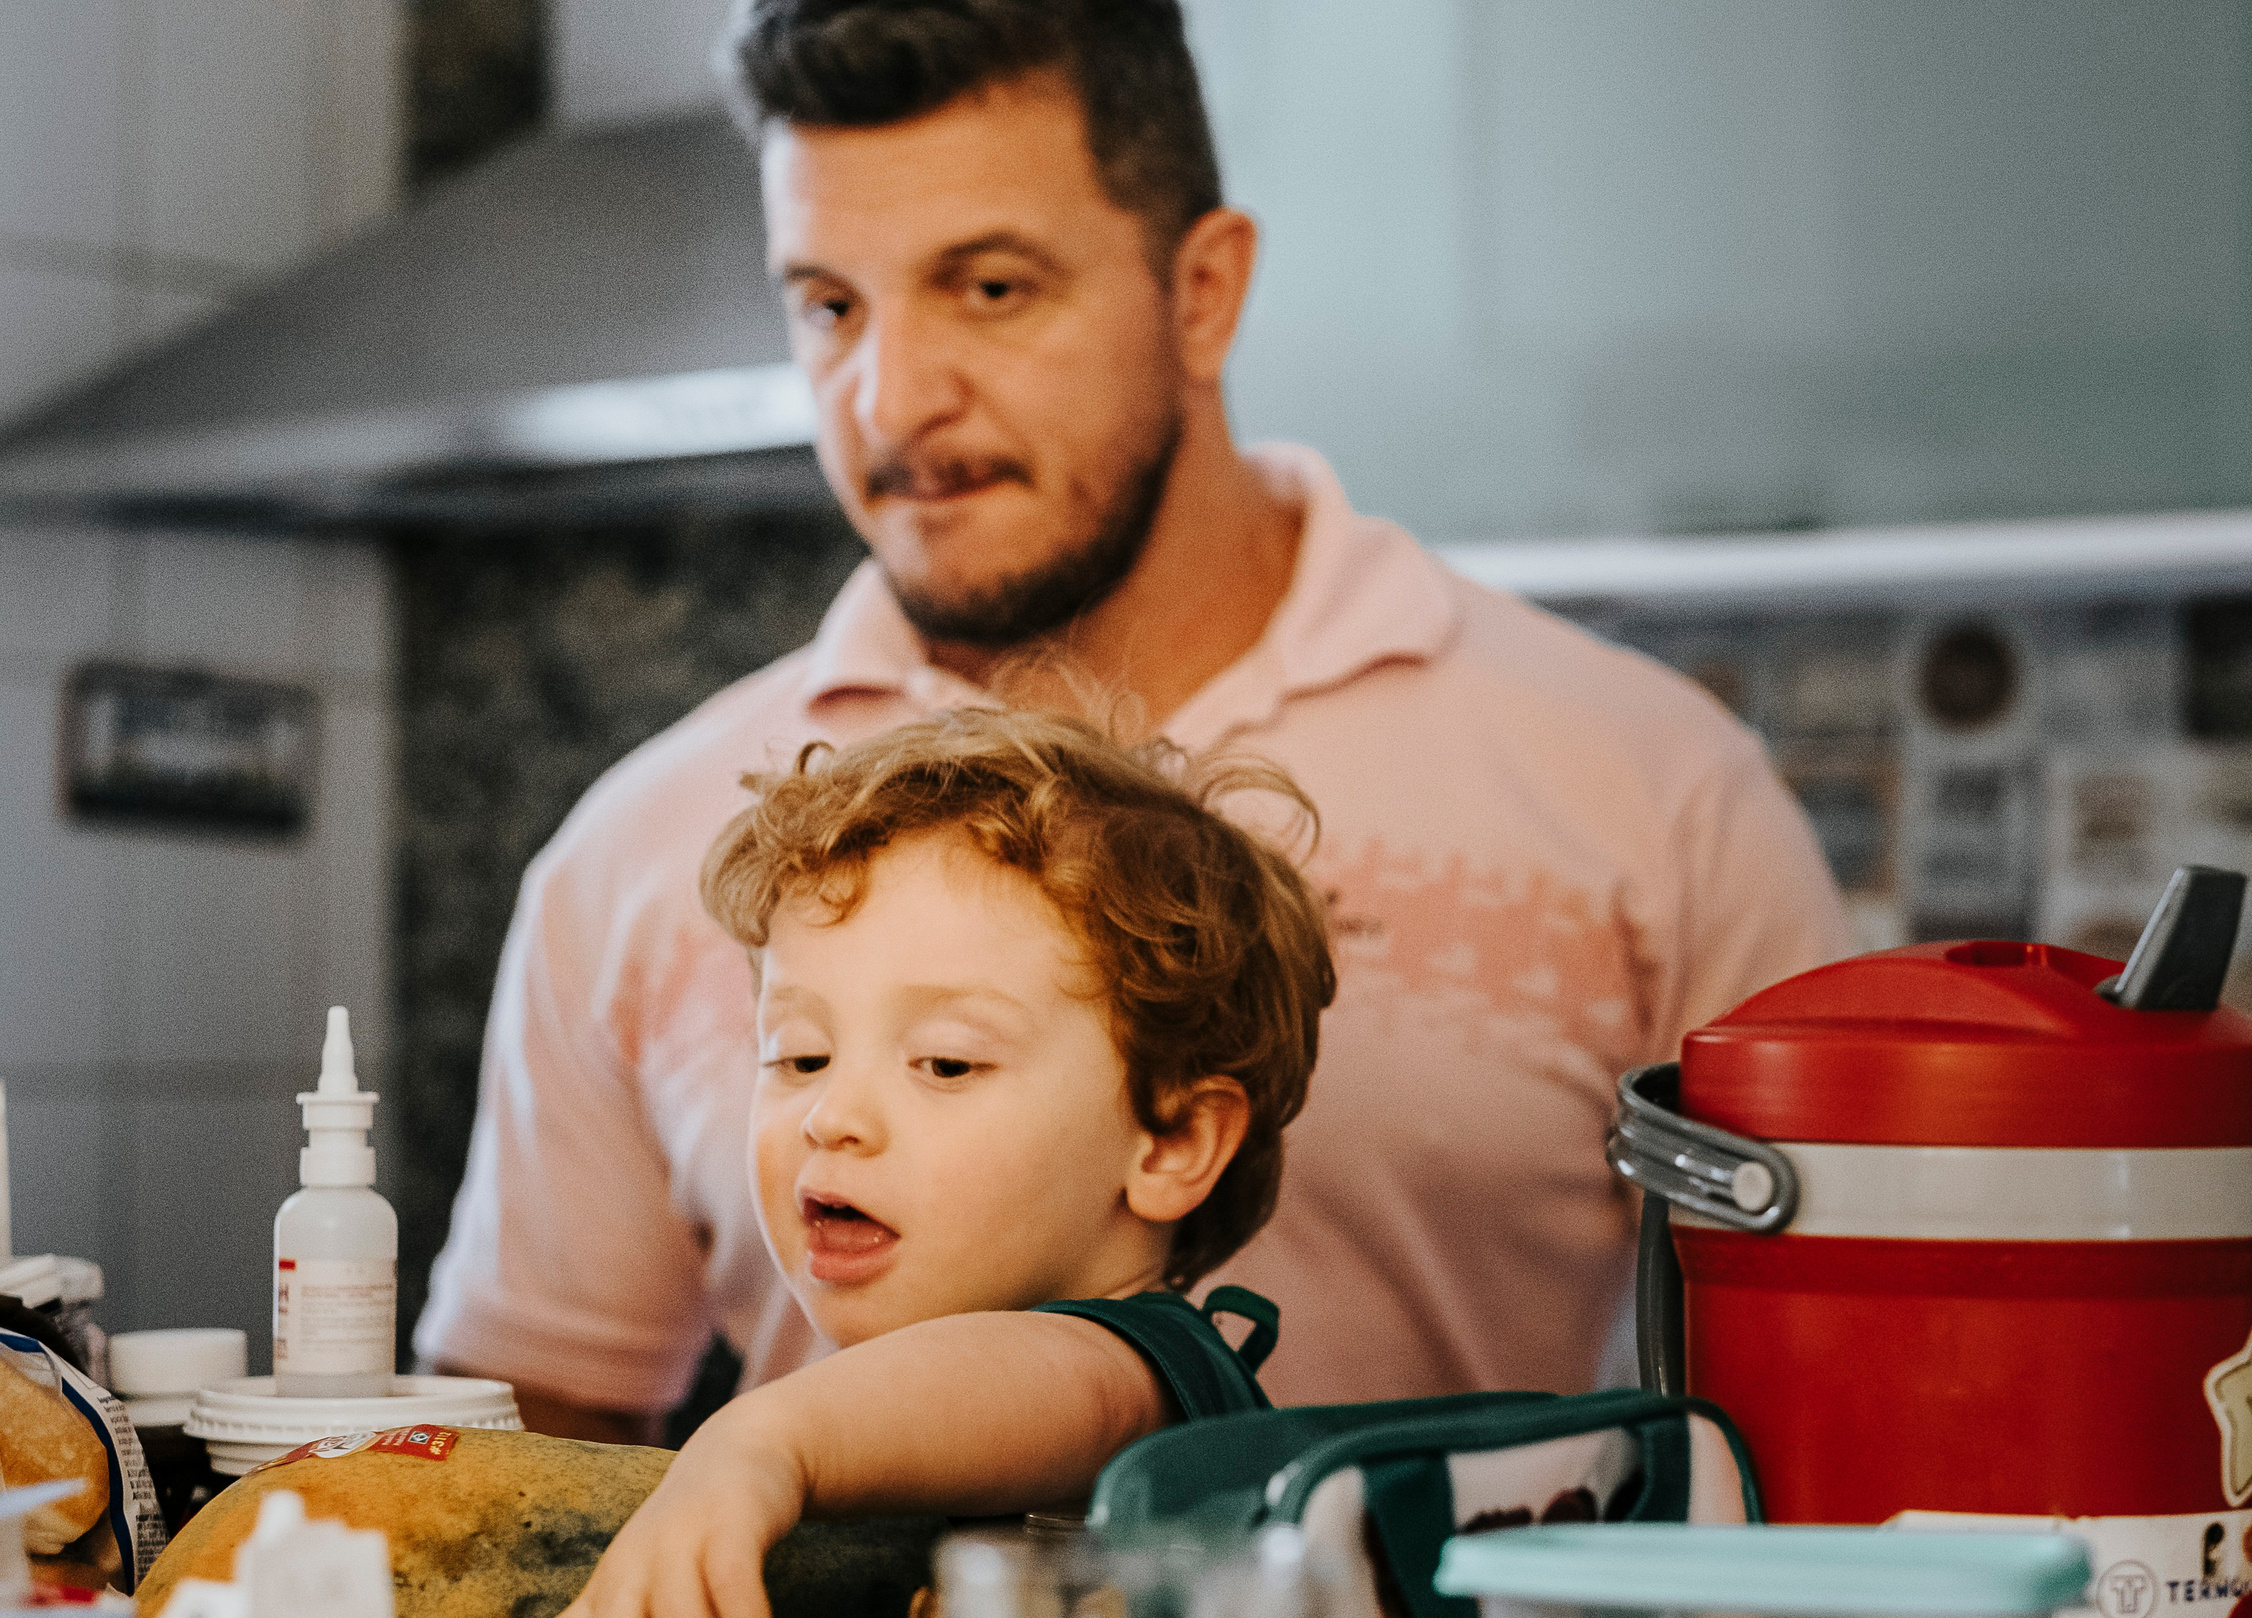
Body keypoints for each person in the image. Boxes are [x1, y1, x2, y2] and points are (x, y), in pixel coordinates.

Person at [415, 0, 1849, 1439]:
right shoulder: (644, 852)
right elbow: (526, 1466)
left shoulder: (1651, 797)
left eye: (990, 288)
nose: (892, 399)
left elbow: (1843, 1413)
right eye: (831, 305)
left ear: (1205, 291)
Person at [548, 707, 1331, 1618]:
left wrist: (759, 1443)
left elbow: (1040, 1382)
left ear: (1170, 1141)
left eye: (947, 1064)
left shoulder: (1148, 1370)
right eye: (798, 1054)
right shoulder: (863, 1429)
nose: (831, 1116)